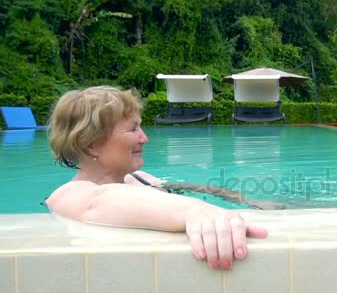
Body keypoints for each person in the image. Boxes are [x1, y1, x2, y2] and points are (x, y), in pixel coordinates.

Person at [45, 86, 268, 270]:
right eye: (133, 130)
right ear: (91, 144)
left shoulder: (138, 178)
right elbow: (97, 203)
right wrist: (195, 211)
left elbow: (191, 189)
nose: (145, 138)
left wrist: (246, 201)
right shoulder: (68, 195)